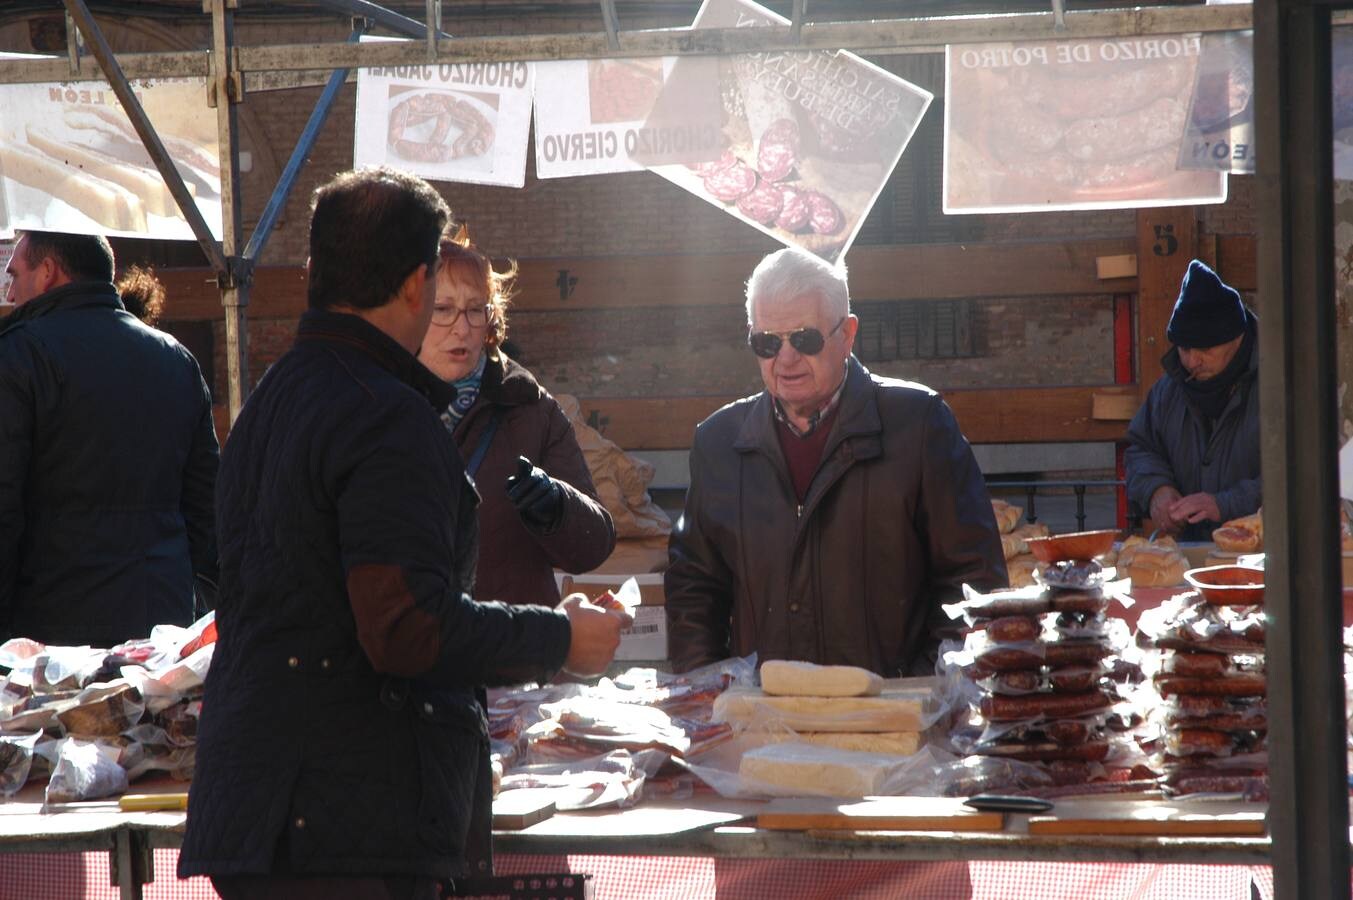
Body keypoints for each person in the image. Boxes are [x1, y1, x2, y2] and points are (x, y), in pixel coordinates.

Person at [178, 167, 629, 900]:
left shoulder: (274, 395)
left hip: (268, 806)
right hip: (343, 824)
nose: (456, 324)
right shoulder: (384, 412)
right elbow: (405, 629)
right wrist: (559, 639)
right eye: (442, 302)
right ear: (417, 283)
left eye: (474, 311)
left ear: (316, 272)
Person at [665, 246, 1007, 676]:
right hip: (764, 722)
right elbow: (694, 591)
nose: (784, 359)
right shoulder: (717, 443)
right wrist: (713, 698)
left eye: (804, 339)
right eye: (767, 342)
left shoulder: (919, 425)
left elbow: (973, 584)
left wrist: (926, 694)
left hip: (895, 722)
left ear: (847, 335)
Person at [0, 230, 217, 646]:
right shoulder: (175, 358)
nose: (10, 292)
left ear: (48, 272)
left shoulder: (20, 356)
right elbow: (206, 500)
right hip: (160, 623)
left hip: (51, 630)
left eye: (15, 275)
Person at [417, 231, 615, 607]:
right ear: (412, 313)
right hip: (404, 653)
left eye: (476, 309)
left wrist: (558, 505)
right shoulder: (373, 407)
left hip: (514, 654)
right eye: (443, 309)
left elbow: (594, 547)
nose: (463, 327)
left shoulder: (532, 408)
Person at [1126, 259, 1260, 541]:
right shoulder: (1167, 391)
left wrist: (1224, 504)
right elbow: (1142, 448)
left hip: (1267, 561)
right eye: (1184, 348)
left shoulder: (1282, 387)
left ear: (1237, 338)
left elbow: (1309, 477)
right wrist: (1156, 490)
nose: (1191, 361)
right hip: (1189, 558)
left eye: (1205, 349)